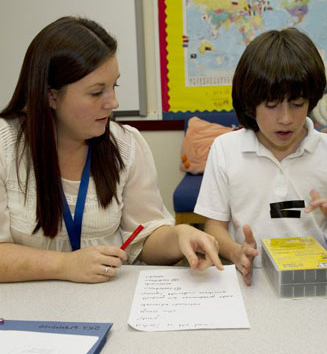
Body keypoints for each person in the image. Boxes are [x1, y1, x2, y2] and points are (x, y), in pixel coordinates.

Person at [0, 16, 223, 283]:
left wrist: (180, 236)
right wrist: (65, 265)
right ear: (52, 95)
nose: (113, 102)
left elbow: (145, 238)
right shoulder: (6, 145)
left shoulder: (126, 145)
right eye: (96, 93)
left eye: (114, 86)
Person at [194, 27, 327, 286]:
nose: (286, 119)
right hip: (248, 278)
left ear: (312, 99)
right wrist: (235, 251)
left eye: (297, 104)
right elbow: (214, 227)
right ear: (251, 104)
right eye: (272, 105)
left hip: (313, 279)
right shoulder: (225, 149)